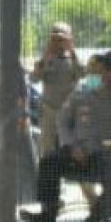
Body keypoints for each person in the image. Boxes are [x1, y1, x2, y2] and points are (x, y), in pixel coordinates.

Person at [21, 54, 111, 222]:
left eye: (96, 71)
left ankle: (94, 220)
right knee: (49, 161)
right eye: (90, 71)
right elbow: (62, 121)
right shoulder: (79, 95)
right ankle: (47, 217)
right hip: (79, 153)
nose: (91, 75)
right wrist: (70, 145)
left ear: (109, 74)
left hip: (108, 155)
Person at [30, 21, 82, 155]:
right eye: (55, 39)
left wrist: (72, 50)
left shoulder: (73, 59)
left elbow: (82, 74)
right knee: (47, 149)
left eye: (62, 39)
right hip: (48, 109)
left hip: (68, 110)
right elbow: (34, 78)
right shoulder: (46, 58)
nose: (58, 42)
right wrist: (45, 58)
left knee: (68, 147)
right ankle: (47, 175)